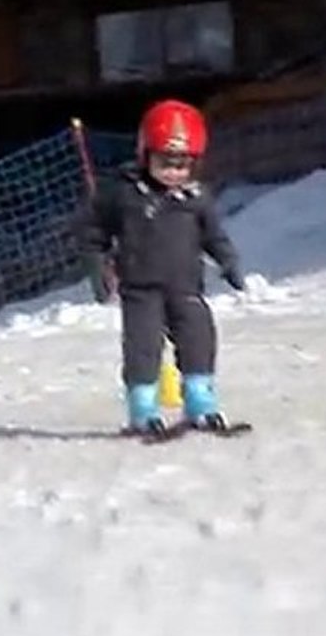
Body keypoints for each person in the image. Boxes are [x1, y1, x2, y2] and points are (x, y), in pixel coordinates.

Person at [76, 99, 246, 435]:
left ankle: (200, 400)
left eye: (183, 165)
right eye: (165, 162)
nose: (174, 172)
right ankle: (142, 408)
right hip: (141, 289)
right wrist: (97, 266)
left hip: (186, 287)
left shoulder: (196, 198)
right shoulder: (124, 194)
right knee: (143, 347)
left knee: (199, 339)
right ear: (145, 155)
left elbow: (213, 234)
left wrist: (228, 261)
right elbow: (91, 230)